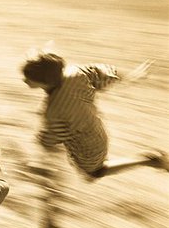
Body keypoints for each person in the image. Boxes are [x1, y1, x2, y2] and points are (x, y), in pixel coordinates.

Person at [20, 51, 168, 179]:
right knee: (70, 152)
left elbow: (50, 140)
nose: (24, 80)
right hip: (97, 130)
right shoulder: (75, 74)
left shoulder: (54, 111)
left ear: (44, 82)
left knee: (95, 173)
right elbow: (102, 74)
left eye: (28, 77)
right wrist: (130, 76)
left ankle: (149, 160)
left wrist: (41, 146)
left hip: (88, 146)